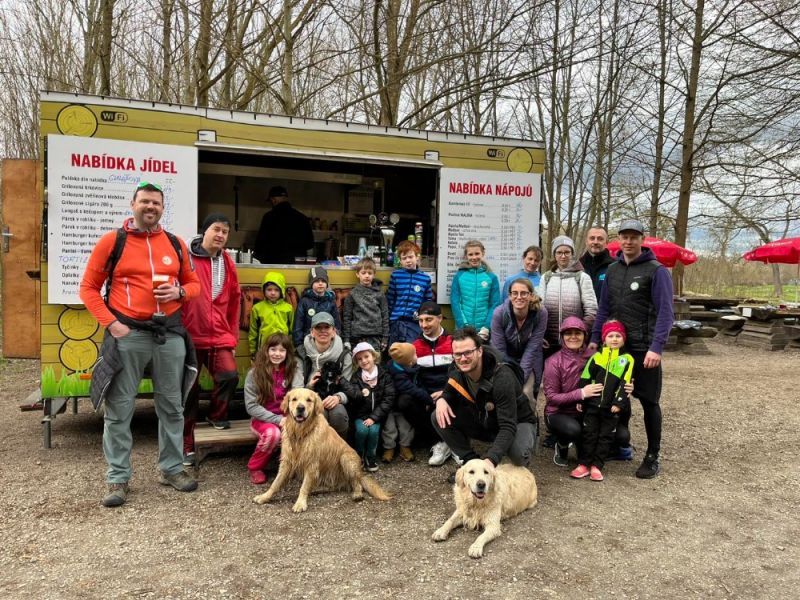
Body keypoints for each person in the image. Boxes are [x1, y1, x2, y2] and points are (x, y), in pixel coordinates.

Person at [80, 181, 200, 507]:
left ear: (162, 208)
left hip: (169, 334)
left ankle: (172, 469)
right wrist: (113, 324)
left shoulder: (175, 244)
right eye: (145, 201)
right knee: (120, 409)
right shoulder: (112, 241)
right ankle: (118, 478)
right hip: (128, 333)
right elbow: (88, 288)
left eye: (156, 203)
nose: (150, 207)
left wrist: (180, 293)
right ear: (133, 204)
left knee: (172, 407)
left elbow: (194, 285)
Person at [591, 219, 674, 479]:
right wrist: (596, 338)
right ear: (620, 239)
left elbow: (665, 313)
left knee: (649, 402)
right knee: (618, 399)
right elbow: (604, 308)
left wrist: (656, 347)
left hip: (645, 349)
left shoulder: (656, 270)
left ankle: (652, 455)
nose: (628, 241)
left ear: (642, 239)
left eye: (634, 237)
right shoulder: (612, 270)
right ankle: (620, 445)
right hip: (618, 349)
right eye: (624, 237)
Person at [181, 213, 241, 467]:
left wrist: (232, 336)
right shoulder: (186, 257)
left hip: (219, 335)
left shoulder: (227, 261)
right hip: (189, 336)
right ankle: (185, 444)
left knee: (229, 375)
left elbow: (235, 299)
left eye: (225, 232)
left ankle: (217, 415)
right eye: (216, 230)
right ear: (204, 231)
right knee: (188, 392)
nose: (220, 235)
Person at [432, 327, 537, 472]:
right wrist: (442, 400)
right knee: (438, 416)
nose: (462, 358)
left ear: (480, 351)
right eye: (457, 354)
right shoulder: (456, 369)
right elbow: (449, 391)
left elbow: (508, 426)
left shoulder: (502, 376)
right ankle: (471, 463)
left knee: (518, 455)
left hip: (516, 420)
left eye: (468, 352)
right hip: (486, 420)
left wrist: (491, 460)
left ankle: (528, 438)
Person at [542, 316, 632, 468]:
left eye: (577, 333)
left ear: (584, 335)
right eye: (568, 333)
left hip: (589, 410)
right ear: (562, 336)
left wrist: (628, 387)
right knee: (573, 430)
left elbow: (617, 376)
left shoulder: (595, 356)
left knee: (622, 435)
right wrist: (581, 393)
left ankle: (601, 450)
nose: (573, 337)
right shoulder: (553, 362)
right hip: (560, 412)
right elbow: (551, 397)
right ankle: (562, 444)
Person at [570, 320, 633, 482]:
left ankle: (597, 465)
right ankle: (583, 464)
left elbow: (625, 383)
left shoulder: (627, 360)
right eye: (610, 336)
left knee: (605, 437)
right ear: (604, 339)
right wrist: (581, 399)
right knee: (589, 434)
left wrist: (619, 403)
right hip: (592, 405)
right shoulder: (596, 357)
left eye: (618, 336)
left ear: (623, 339)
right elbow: (585, 378)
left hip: (610, 408)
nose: (614, 339)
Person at [244, 333, 298, 485]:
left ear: (287, 353)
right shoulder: (254, 374)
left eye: (282, 350)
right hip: (262, 420)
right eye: (273, 349)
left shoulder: (293, 370)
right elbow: (251, 406)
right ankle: (255, 467)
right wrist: (277, 419)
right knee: (273, 434)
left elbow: (298, 395)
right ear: (266, 351)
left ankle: (289, 466)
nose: (277, 354)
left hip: (288, 417)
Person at [490, 277, 548, 404]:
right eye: (515, 293)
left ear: (531, 295)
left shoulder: (541, 313)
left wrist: (520, 377)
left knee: (526, 392)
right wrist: (511, 375)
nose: (519, 297)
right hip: (506, 358)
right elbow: (499, 350)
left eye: (524, 293)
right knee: (506, 391)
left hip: (529, 360)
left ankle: (530, 422)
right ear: (510, 296)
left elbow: (533, 348)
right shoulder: (499, 314)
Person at [295, 311, 353, 437]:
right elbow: (297, 389)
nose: (323, 331)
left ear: (334, 332)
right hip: (309, 398)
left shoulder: (344, 354)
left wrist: (338, 397)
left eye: (326, 327)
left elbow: (349, 386)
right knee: (320, 414)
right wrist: (309, 386)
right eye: (318, 327)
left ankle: (338, 450)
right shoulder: (301, 353)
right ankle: (317, 452)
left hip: (335, 398)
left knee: (338, 414)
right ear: (312, 332)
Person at [339, 342, 395, 472]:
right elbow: (353, 397)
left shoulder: (384, 375)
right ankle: (358, 455)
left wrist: (374, 417)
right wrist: (361, 394)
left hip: (377, 414)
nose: (364, 361)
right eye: (359, 359)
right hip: (361, 415)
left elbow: (389, 398)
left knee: (374, 432)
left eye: (366, 356)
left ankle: (371, 456)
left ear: (373, 356)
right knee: (362, 431)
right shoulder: (356, 377)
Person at [537, 235, 597, 353]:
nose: (563, 256)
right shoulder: (546, 277)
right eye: (559, 252)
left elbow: (592, 310)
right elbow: (539, 308)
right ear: (554, 255)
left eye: (567, 252)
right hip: (549, 342)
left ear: (572, 253)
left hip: (574, 342)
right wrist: (540, 335)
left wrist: (580, 334)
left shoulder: (582, 277)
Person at [450, 239, 501, 340]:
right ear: (466, 256)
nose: (474, 257)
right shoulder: (459, 276)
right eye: (470, 254)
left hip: (484, 331)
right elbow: (455, 302)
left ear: (483, 253)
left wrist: (486, 327)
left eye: (477, 253)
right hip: (463, 330)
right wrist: (463, 326)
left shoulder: (491, 277)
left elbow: (494, 304)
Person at [386, 240, 433, 345]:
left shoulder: (425, 278)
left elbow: (427, 302)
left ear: (417, 257)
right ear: (400, 261)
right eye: (404, 258)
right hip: (396, 322)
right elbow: (390, 299)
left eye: (410, 257)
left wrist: (423, 318)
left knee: (411, 351)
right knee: (395, 351)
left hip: (414, 323)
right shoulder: (395, 276)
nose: (408, 260)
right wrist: (388, 320)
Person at [253, 185, 314, 265]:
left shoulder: (269, 217)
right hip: (296, 267)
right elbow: (310, 244)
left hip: (273, 266)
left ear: (273, 200)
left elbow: (259, 245)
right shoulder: (302, 218)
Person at [342, 257, 389, 351]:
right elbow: (347, 317)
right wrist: (346, 339)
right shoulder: (352, 294)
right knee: (359, 363)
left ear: (374, 274)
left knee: (374, 362)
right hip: (357, 337)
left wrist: (385, 337)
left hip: (376, 336)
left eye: (370, 273)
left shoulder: (380, 293)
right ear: (357, 274)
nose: (367, 276)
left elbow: (385, 315)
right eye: (363, 273)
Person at [384, 343, 419, 463]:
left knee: (405, 426)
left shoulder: (411, 369)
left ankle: (405, 446)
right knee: (389, 428)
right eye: (415, 354)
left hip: (401, 405)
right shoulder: (393, 371)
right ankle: (389, 448)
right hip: (388, 404)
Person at [248, 271, 294, 359]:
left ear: (282, 291)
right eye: (269, 289)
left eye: (276, 290)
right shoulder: (257, 308)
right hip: (264, 347)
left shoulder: (288, 308)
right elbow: (253, 331)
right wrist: (253, 351)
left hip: (283, 347)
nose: (272, 293)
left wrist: (291, 348)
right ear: (264, 290)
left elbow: (292, 330)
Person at [293, 266, 341, 348]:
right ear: (311, 284)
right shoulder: (304, 301)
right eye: (316, 281)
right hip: (308, 342)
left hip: (327, 342)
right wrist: (299, 345)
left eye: (323, 281)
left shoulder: (331, 302)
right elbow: (298, 325)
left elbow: (337, 325)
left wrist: (335, 342)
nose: (320, 283)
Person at [579, 226, 615, 299]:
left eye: (600, 239)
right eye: (592, 238)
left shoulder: (615, 266)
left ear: (606, 242)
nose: (595, 242)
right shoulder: (577, 267)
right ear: (586, 241)